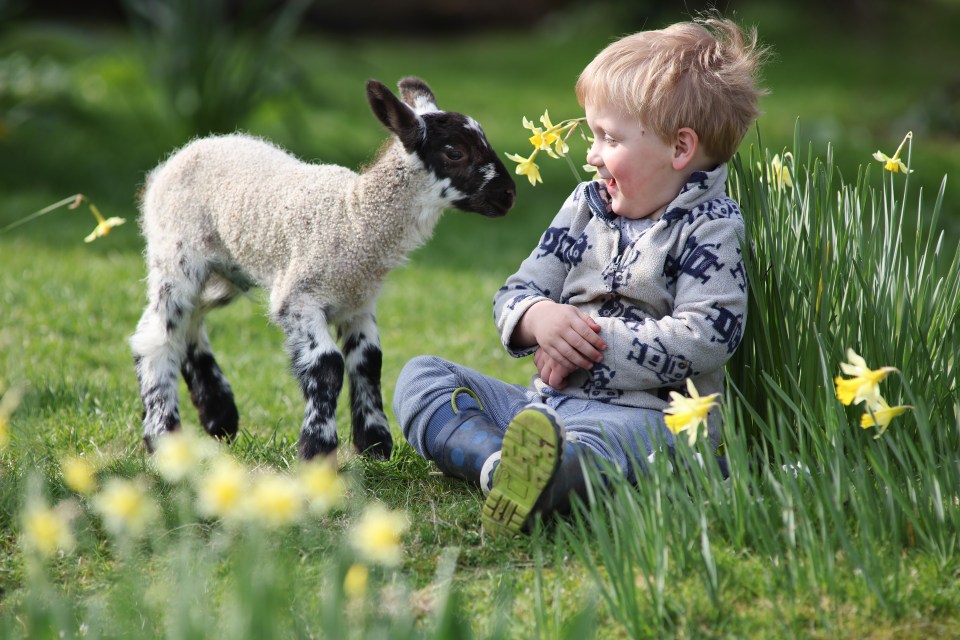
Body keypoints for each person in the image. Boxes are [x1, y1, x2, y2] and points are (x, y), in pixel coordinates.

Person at [392, 16, 766, 536]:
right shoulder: (585, 207)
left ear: (680, 149)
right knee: (422, 377)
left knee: (595, 447)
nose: (591, 155)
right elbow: (517, 291)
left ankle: (552, 476)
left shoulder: (710, 227)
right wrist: (539, 319)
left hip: (649, 422)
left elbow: (708, 336)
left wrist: (585, 343)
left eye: (608, 138)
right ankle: (500, 465)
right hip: (544, 409)